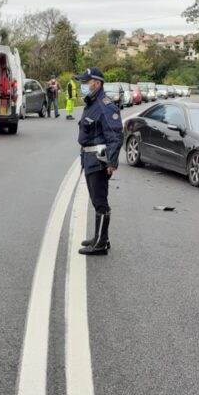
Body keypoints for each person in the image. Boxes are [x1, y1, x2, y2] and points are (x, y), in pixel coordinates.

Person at [74, 67, 122, 256]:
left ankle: (101, 243)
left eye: (86, 82)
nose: (83, 85)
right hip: (89, 157)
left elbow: (115, 135)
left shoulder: (104, 105)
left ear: (97, 83)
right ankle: (100, 237)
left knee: (100, 201)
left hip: (98, 160)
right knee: (96, 199)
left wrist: (112, 162)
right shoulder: (92, 103)